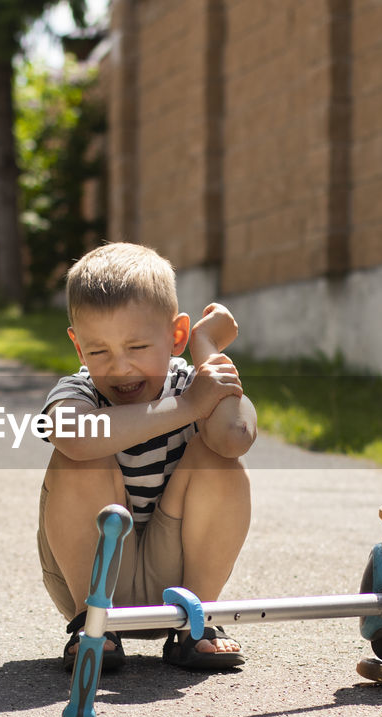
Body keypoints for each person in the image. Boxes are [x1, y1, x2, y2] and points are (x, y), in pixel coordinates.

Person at [37, 242, 258, 671]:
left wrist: (207, 348)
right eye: (98, 351)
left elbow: (235, 436)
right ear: (79, 348)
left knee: (217, 458)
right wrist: (189, 408)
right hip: (92, 571)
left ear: (175, 336)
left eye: (137, 347)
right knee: (77, 452)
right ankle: (93, 624)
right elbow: (75, 436)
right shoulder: (78, 391)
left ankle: (198, 622)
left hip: (174, 571)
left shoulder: (191, 385)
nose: (120, 368)